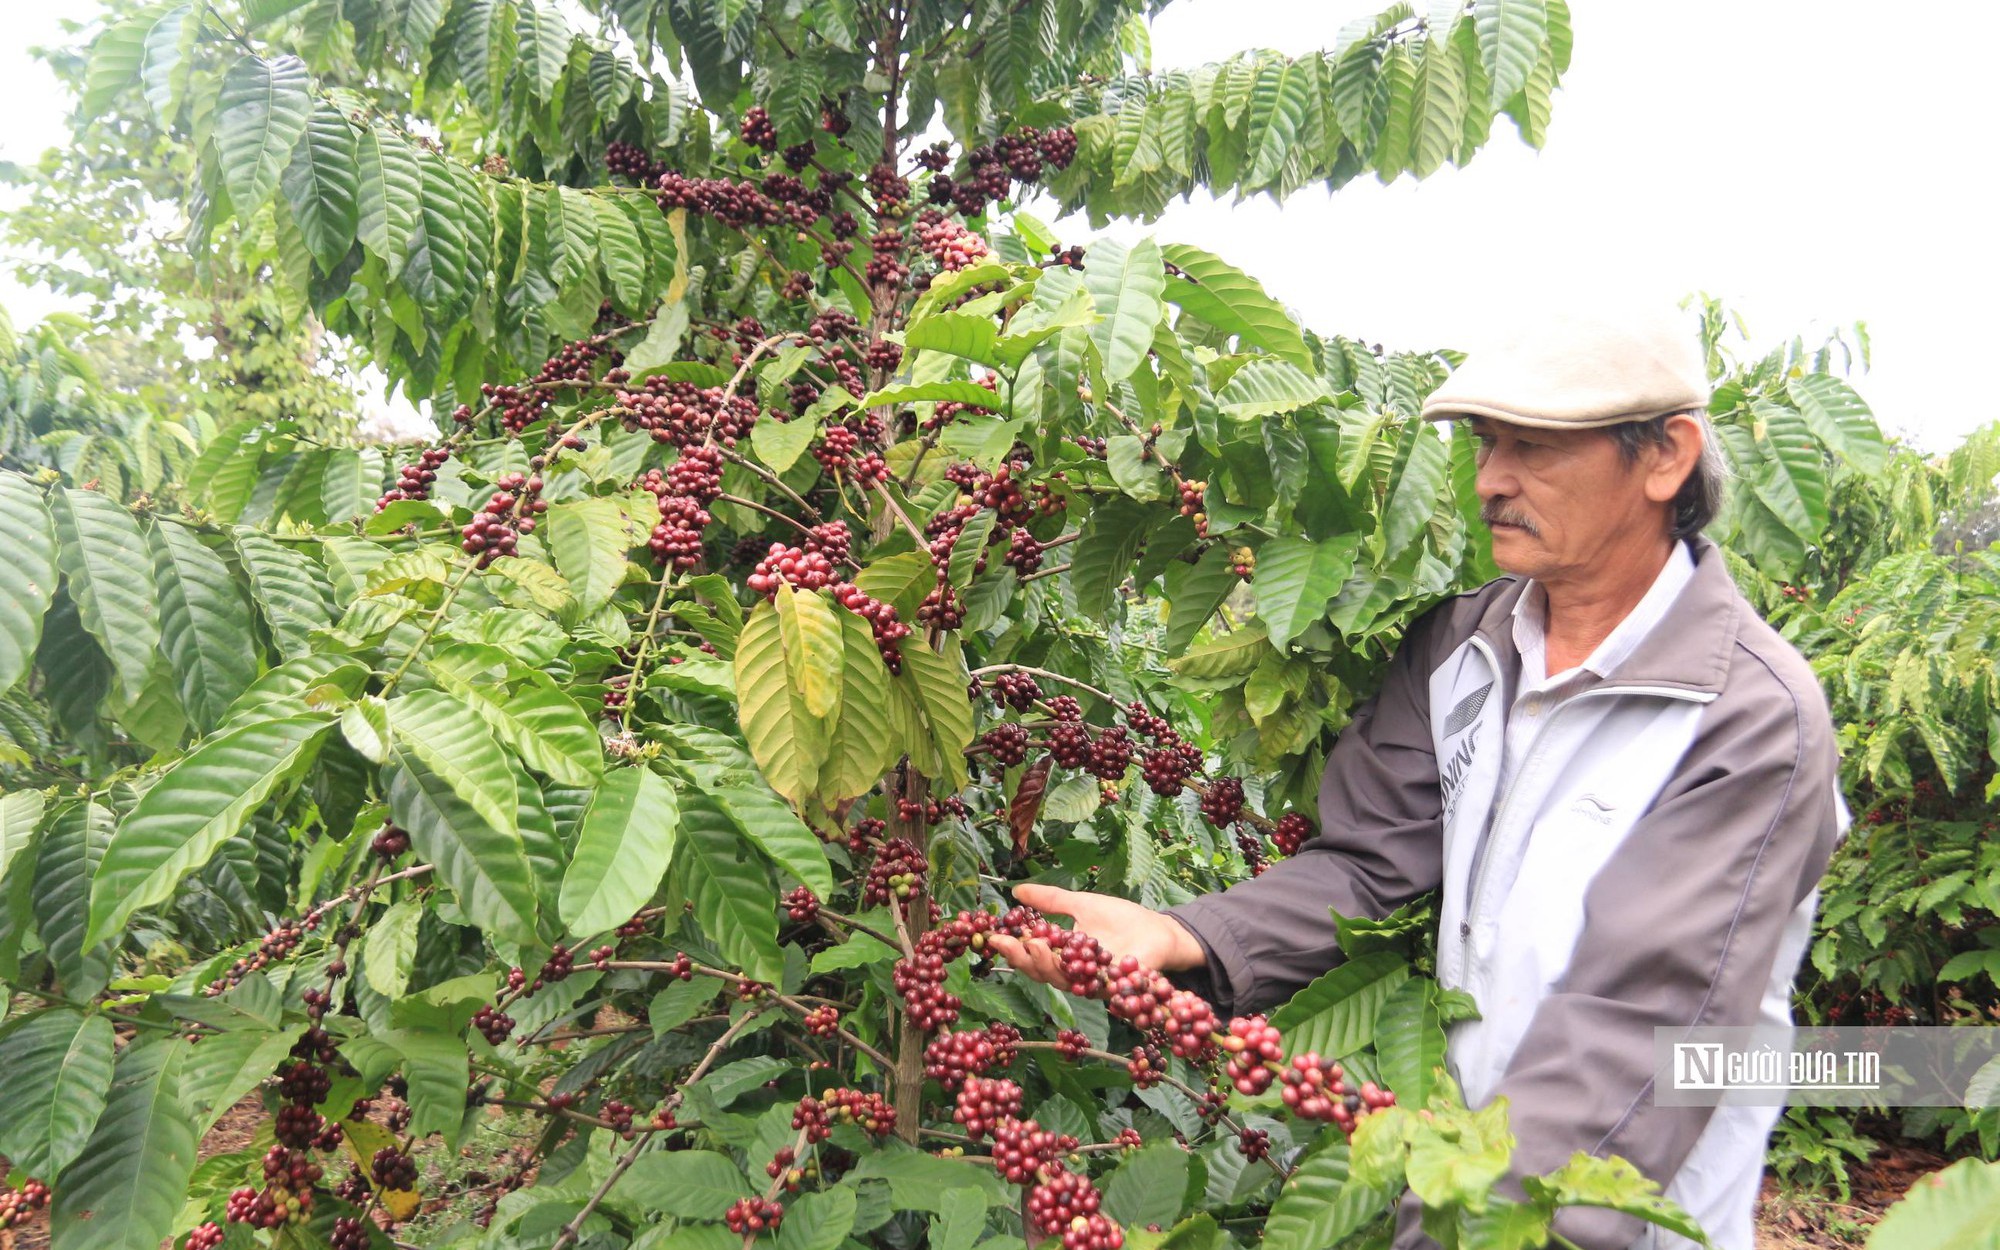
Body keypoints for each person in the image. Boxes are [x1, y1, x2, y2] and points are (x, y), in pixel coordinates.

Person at [986, 309, 1846, 1250]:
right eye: (1485, 444)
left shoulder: (1747, 718)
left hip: (1605, 1216)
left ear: (1665, 458)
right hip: (1462, 1168)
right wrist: (1186, 933)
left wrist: (1467, 1229)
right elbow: (1366, 866)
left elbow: (1638, 1034)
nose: (1490, 481)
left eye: (1534, 448)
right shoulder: (1463, 645)